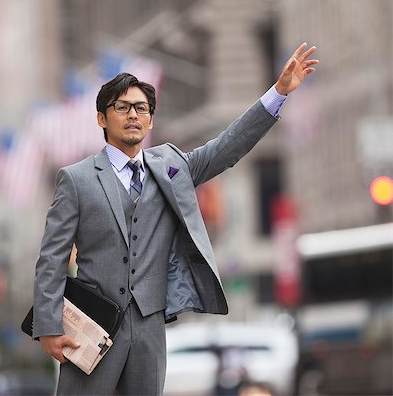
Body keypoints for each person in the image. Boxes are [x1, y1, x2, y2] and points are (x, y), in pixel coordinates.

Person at [33, 42, 318, 395]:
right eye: (122, 108)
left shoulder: (170, 167)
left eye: (141, 108)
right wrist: (48, 325)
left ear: (151, 119)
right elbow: (52, 257)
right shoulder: (76, 179)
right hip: (93, 326)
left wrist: (277, 94)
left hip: (149, 327)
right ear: (101, 119)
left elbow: (227, 147)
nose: (133, 115)